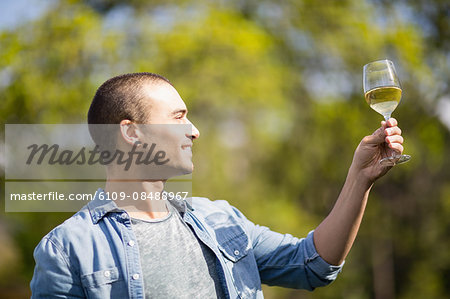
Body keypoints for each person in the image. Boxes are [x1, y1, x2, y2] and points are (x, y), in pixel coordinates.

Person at [30, 72, 405, 298]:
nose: (195, 131)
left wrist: (360, 178)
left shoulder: (219, 219)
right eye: (179, 117)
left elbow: (313, 264)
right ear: (131, 132)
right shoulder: (67, 251)